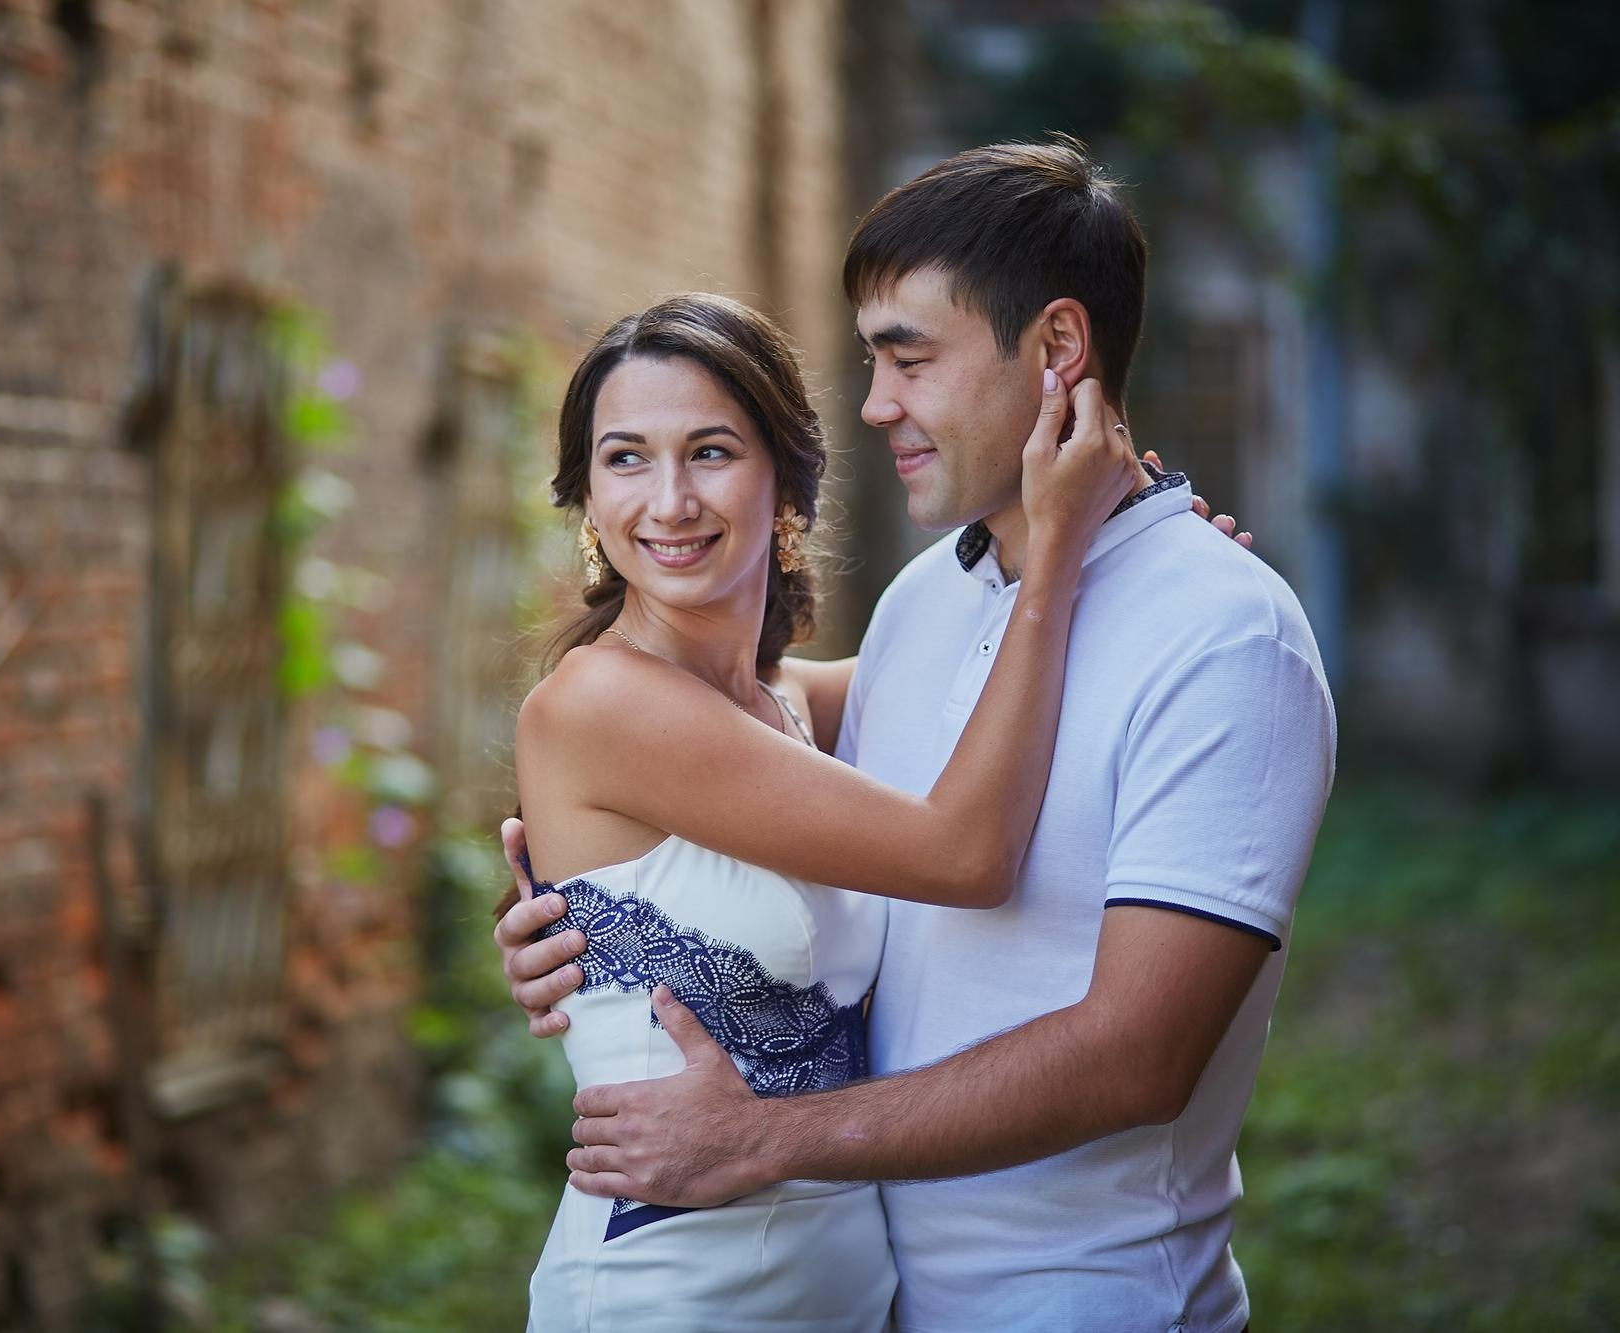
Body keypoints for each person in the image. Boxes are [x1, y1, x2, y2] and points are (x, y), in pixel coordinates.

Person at [498, 139, 1333, 1333]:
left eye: (907, 358)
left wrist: (1153, 553)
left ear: (1055, 353)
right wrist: (577, 911)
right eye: (623, 460)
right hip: (845, 1293)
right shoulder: (927, 601)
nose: (878, 403)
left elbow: (1139, 1055)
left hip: (1080, 1301)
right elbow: (681, 779)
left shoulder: (1219, 631)